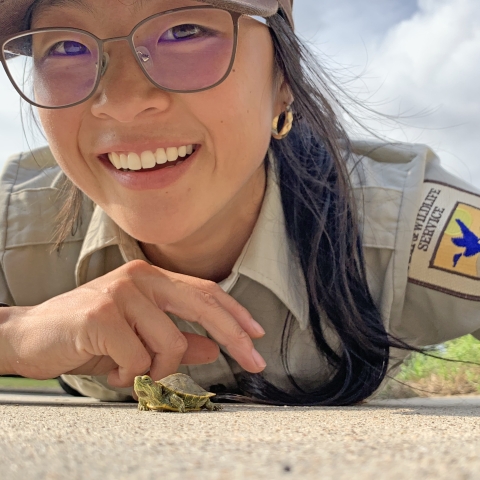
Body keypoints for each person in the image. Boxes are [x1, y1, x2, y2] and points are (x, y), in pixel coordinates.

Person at [0, 0, 478, 406]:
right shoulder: (14, 219)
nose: (122, 99)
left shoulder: (411, 225)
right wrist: (16, 336)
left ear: (283, 80)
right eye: (65, 45)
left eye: (185, 31)